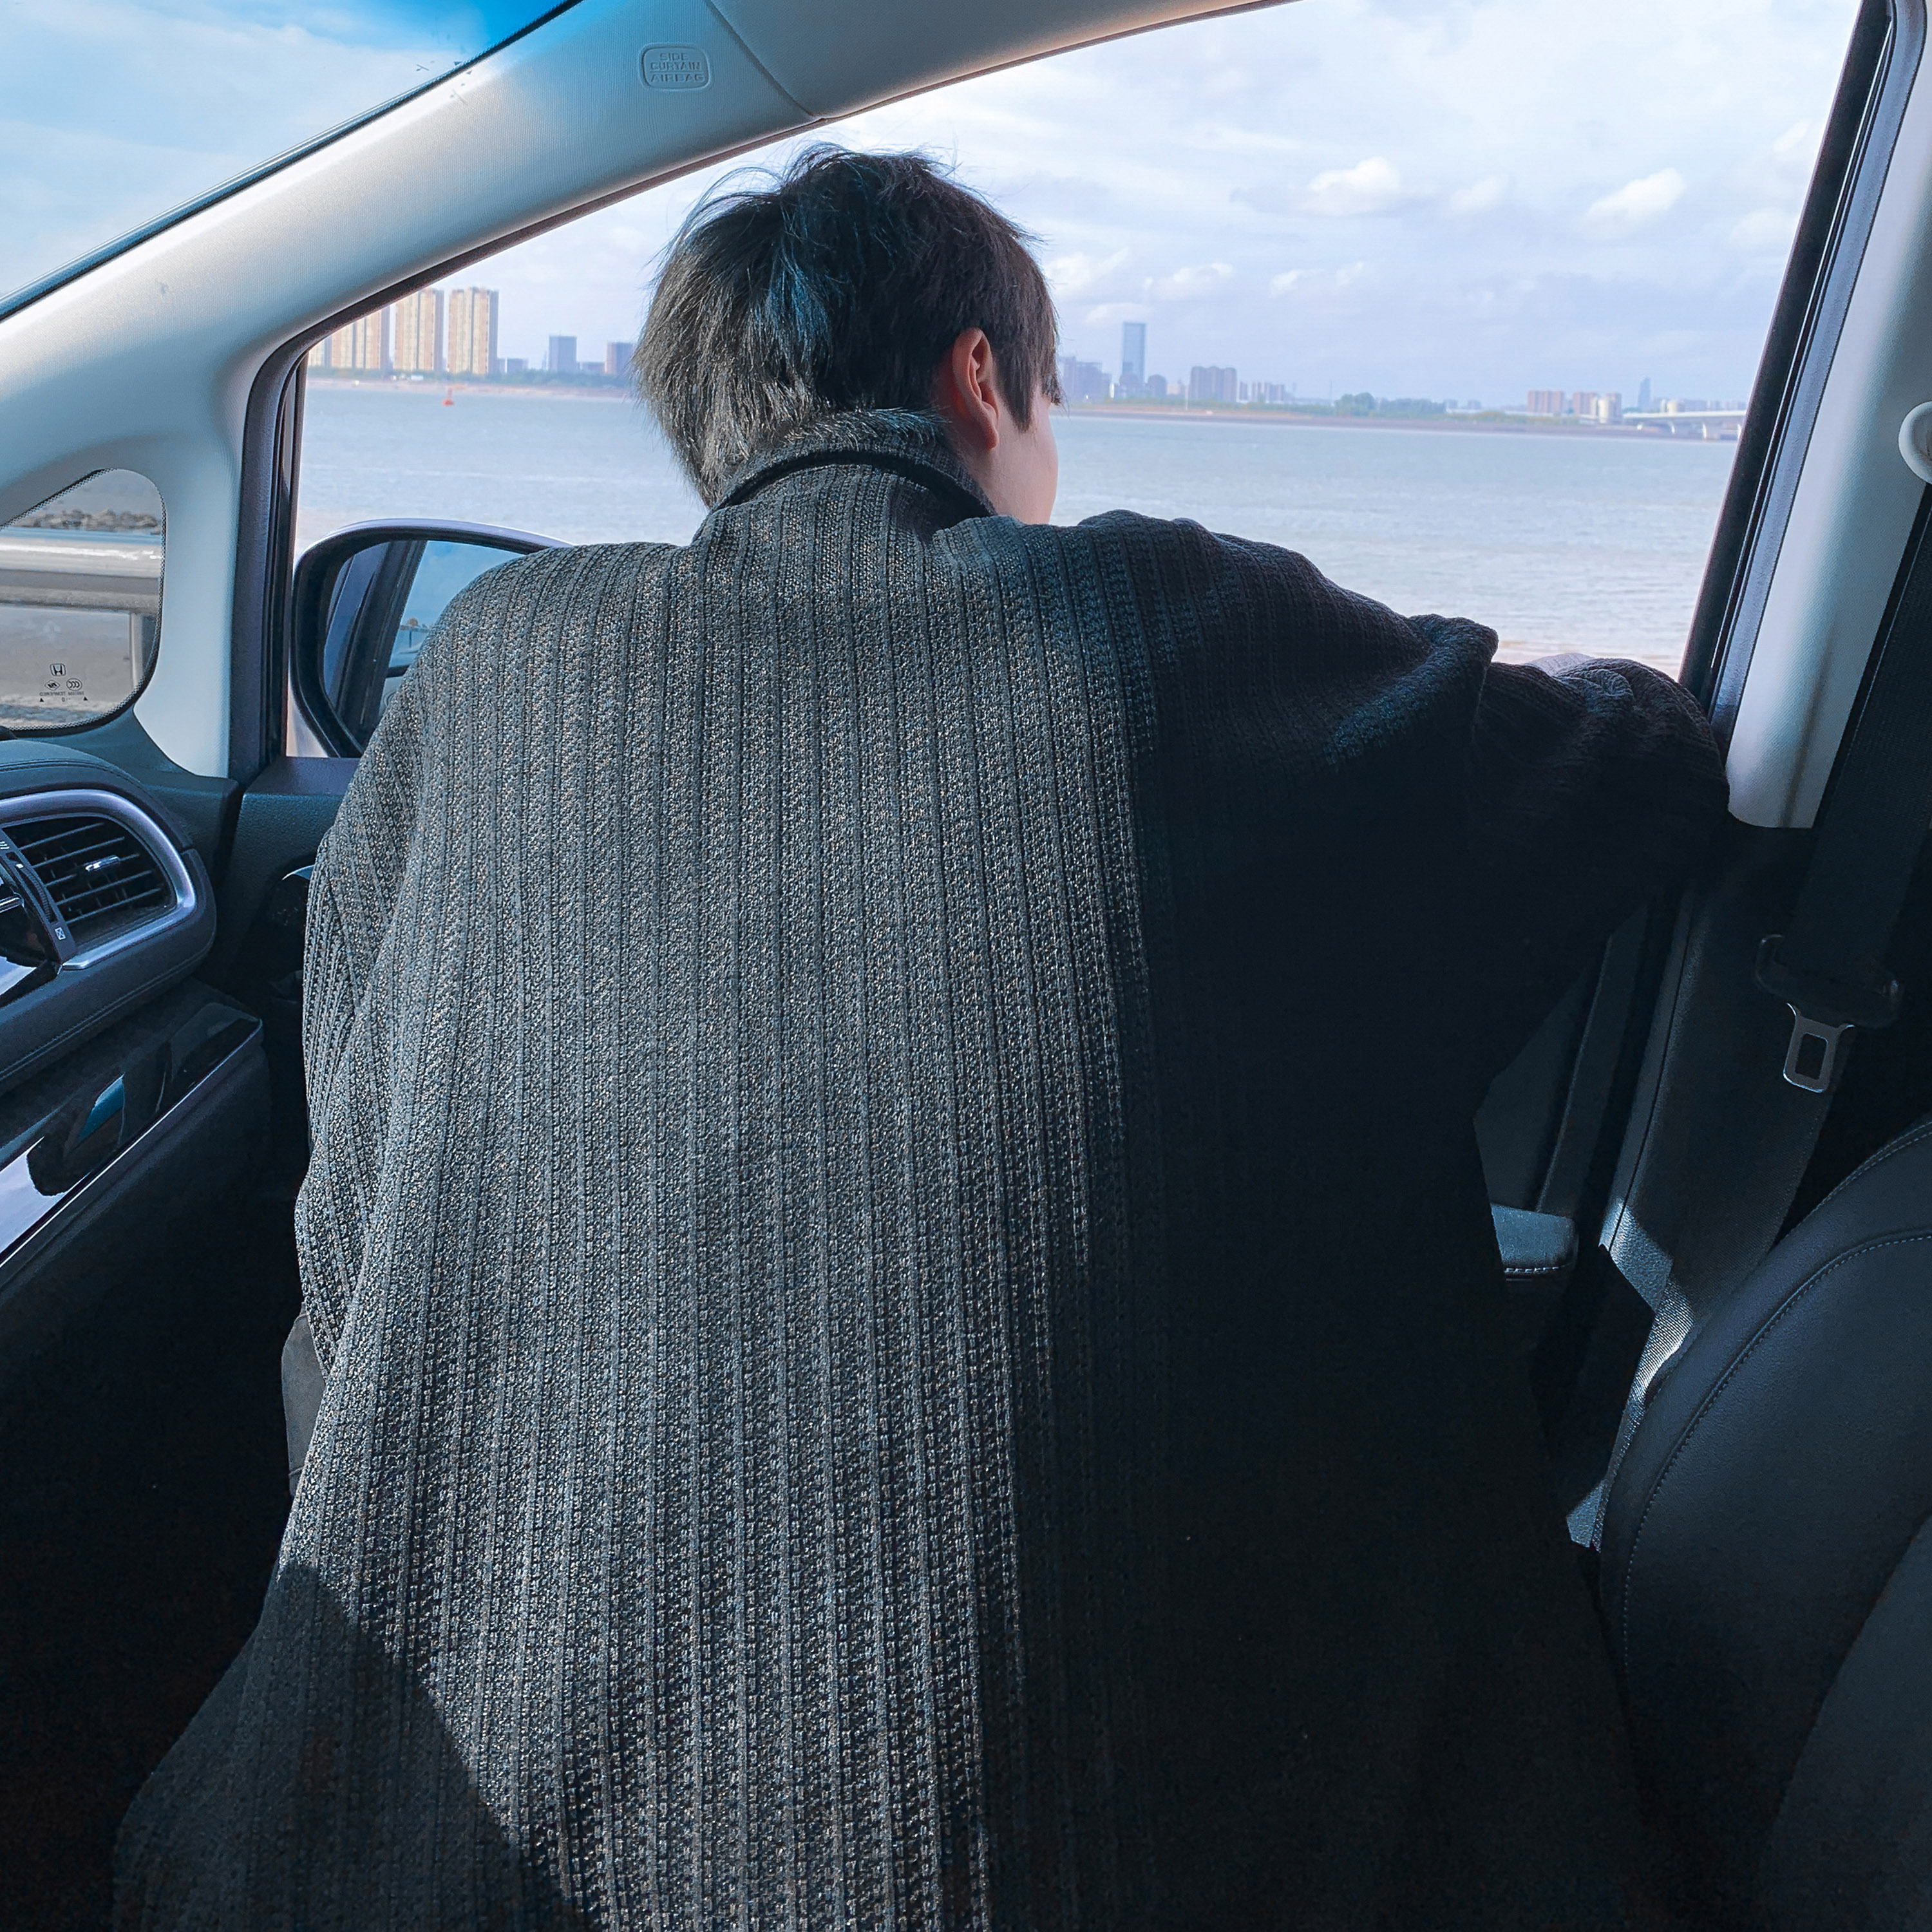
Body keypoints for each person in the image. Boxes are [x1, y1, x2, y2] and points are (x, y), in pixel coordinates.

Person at [117, 147, 1727, 1929]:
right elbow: (1629, 764)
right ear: (978, 377)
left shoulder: (495, 667)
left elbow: (353, 1217)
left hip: (401, 1855)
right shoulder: (1148, 625)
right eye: (1048, 405)